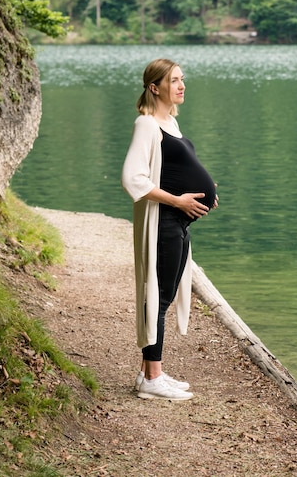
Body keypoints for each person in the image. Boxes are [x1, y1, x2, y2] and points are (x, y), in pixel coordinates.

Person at [122, 58, 217, 401]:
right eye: (174, 80)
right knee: (159, 297)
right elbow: (133, 178)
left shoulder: (171, 123)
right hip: (163, 221)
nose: (182, 85)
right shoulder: (146, 124)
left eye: (182, 80)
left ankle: (149, 372)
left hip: (178, 220)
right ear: (154, 87)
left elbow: (171, 170)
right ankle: (153, 378)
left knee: (163, 295)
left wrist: (206, 191)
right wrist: (179, 200)